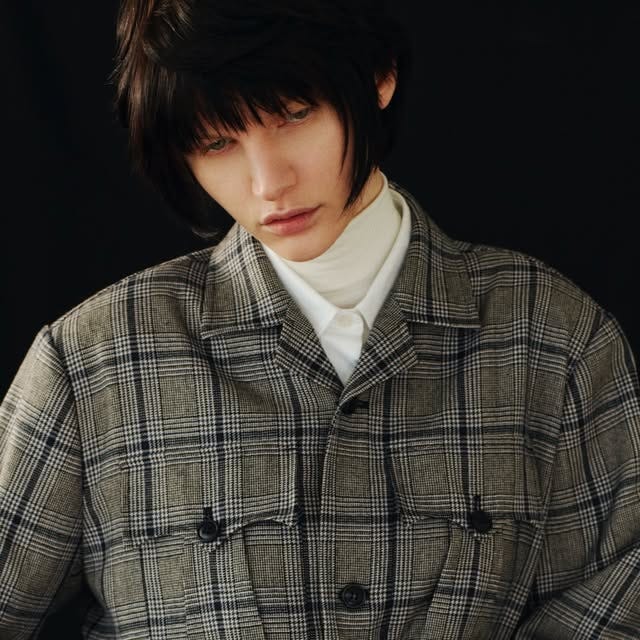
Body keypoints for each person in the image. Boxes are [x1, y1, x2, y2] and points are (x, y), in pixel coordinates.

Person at [1, 0, 639, 638]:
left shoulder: (554, 337)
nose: (268, 183)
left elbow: (614, 608)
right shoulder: (91, 361)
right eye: (217, 143)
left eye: (294, 115)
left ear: (379, 77)